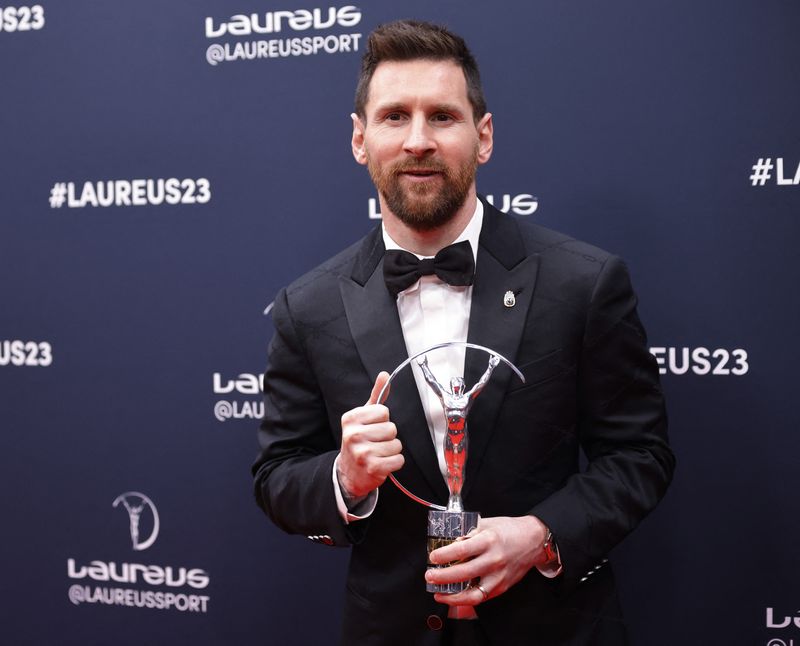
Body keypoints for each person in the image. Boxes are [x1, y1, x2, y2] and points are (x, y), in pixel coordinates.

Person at [253, 19, 674, 646]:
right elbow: (277, 477)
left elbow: (641, 454)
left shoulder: (584, 282)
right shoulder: (306, 306)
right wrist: (344, 478)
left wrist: (541, 535)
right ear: (360, 140)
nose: (418, 141)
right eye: (395, 117)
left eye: (442, 117)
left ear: (483, 137)